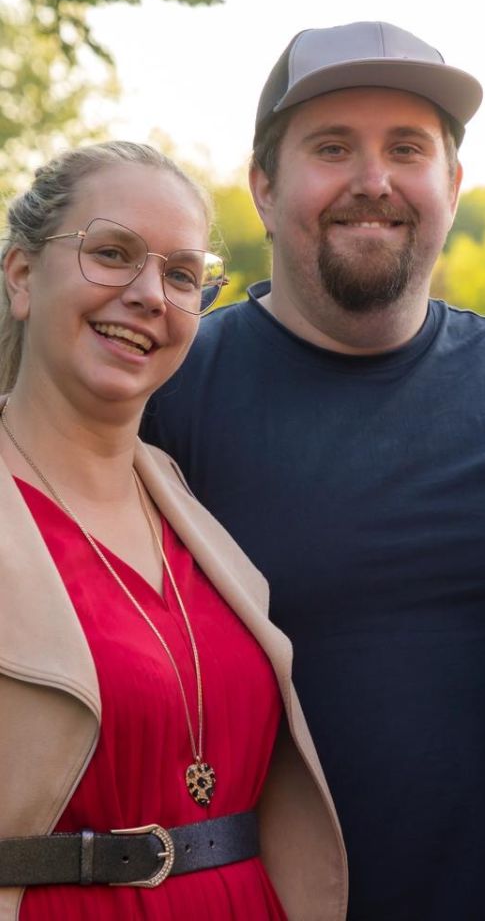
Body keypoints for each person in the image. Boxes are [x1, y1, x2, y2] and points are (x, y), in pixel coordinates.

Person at [142, 21, 485, 921]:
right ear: (264, 187)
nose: (374, 180)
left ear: (453, 184)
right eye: (333, 148)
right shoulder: (164, 399)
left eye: (407, 149)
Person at [0, 142, 347, 921]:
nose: (149, 294)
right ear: (22, 275)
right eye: (112, 254)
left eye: (183, 274)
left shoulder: (193, 510)